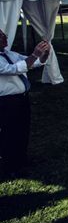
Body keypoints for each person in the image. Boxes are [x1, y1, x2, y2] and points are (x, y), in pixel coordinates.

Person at [0, 29, 49, 177]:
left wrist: (45, 53)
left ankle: (21, 159)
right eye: (1, 36)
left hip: (21, 98)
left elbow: (32, 63)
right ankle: (9, 165)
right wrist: (35, 54)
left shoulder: (10, 54)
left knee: (23, 129)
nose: (5, 37)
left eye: (4, 34)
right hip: (6, 102)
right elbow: (14, 69)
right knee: (9, 132)